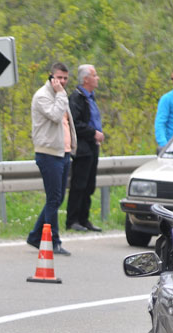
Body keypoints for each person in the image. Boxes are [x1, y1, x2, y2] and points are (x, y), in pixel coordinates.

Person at [27, 62, 77, 256]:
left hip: (63, 153)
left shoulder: (59, 96)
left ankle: (35, 236)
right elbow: (56, 116)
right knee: (54, 198)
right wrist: (61, 94)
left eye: (65, 78)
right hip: (48, 154)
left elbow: (66, 123)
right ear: (51, 76)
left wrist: (71, 148)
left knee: (57, 198)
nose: (62, 81)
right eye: (59, 77)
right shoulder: (43, 96)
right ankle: (53, 240)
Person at [66, 64, 104, 233]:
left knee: (89, 185)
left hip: (92, 147)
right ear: (86, 79)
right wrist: (93, 133)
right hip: (82, 148)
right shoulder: (76, 97)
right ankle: (72, 220)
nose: (97, 79)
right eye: (95, 75)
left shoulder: (91, 97)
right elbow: (75, 123)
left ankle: (84, 219)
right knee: (79, 185)